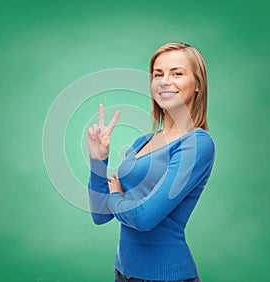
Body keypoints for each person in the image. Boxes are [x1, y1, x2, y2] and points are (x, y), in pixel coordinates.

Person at [87, 42, 215, 282]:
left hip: (167, 277)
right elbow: (100, 214)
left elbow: (144, 219)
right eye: (158, 74)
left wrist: (116, 195)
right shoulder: (142, 141)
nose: (165, 81)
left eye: (177, 73)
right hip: (123, 273)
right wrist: (98, 160)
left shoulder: (197, 143)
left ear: (197, 84)